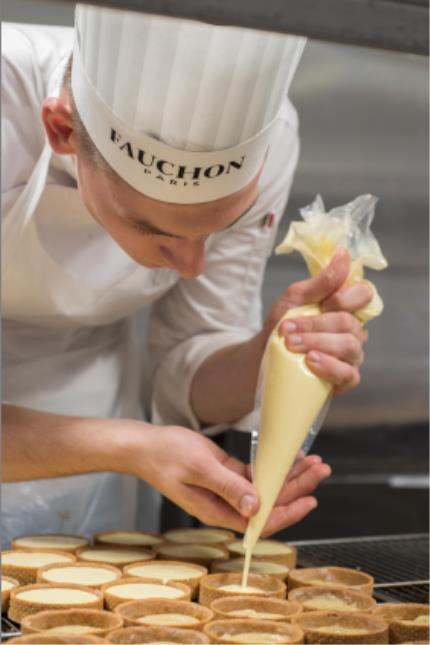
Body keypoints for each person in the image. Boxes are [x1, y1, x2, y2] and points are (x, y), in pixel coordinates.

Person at [2, 5, 372, 545]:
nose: (192, 265)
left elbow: (189, 355)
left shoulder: (272, 138)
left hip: (101, 434)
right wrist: (131, 446)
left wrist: (269, 355)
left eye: (218, 228)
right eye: (155, 229)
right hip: (120, 446)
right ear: (62, 131)